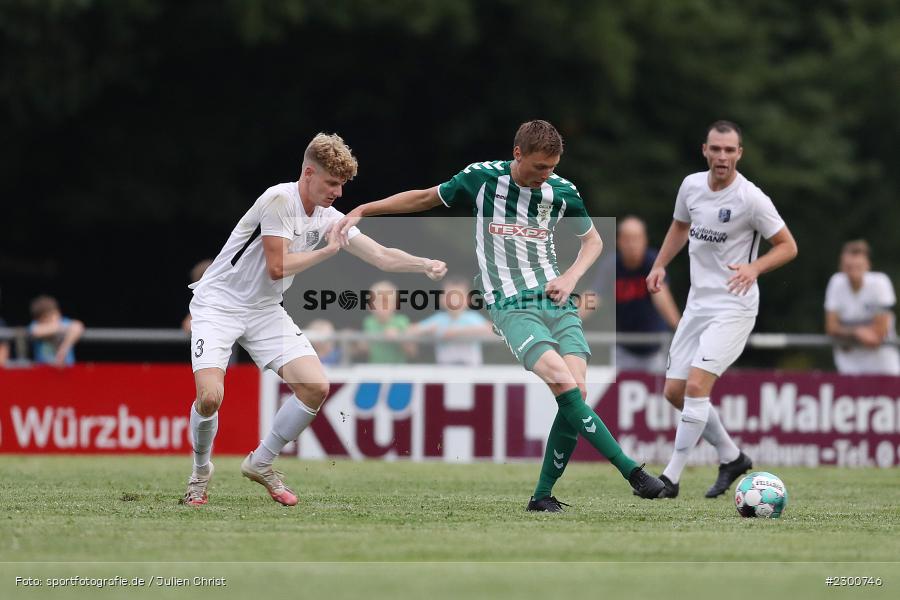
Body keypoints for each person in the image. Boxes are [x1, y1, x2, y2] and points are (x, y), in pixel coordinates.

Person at [336, 119, 665, 511]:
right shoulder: (481, 179)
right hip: (508, 303)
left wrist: (571, 277)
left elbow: (592, 241)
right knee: (564, 383)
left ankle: (542, 497)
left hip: (555, 300)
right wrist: (364, 209)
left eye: (552, 167)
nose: (547, 176)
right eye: (540, 167)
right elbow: (426, 197)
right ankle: (634, 473)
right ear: (518, 154)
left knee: (576, 392)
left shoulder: (561, 191)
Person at [183, 132, 446, 507]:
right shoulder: (279, 199)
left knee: (316, 387)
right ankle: (200, 472)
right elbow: (277, 267)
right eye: (332, 183)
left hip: (264, 310)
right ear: (309, 173)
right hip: (219, 305)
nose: (338, 192)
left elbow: (381, 256)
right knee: (210, 397)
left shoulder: (328, 217)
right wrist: (327, 252)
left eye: (341, 185)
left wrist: (424, 264)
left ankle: (261, 462)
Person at [646, 120, 798, 498]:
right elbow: (680, 227)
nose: (722, 157)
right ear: (705, 150)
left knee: (697, 385)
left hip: (734, 306)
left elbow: (787, 246)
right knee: (675, 391)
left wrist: (754, 267)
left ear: (739, 154)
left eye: (730, 150)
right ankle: (732, 457)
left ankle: (671, 478)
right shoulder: (691, 186)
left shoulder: (751, 199)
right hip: (698, 304)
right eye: (716, 149)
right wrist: (660, 264)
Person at [586, 216, 681, 372]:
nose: (632, 244)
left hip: (655, 349)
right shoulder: (611, 266)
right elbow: (593, 297)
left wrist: (680, 329)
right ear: (619, 241)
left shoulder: (652, 262)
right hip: (623, 349)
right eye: (627, 239)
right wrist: (568, 321)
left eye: (636, 238)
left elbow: (662, 298)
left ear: (644, 240)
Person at [824, 240, 900, 375]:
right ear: (841, 266)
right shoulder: (836, 283)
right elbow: (831, 328)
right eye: (848, 267)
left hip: (883, 364)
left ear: (868, 265)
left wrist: (845, 333)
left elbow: (878, 335)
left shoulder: (880, 283)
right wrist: (857, 332)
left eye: (858, 266)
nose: (853, 272)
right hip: (849, 365)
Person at [409, 276, 493, 366]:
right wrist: (427, 330)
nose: (454, 300)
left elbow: (492, 330)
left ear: (467, 300)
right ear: (442, 299)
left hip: (471, 374)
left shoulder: (472, 318)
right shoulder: (438, 319)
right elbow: (411, 329)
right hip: (446, 374)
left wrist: (456, 332)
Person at [358, 280, 417, 364]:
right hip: (375, 371)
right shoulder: (369, 322)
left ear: (395, 304)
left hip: (398, 372)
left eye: (386, 301)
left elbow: (412, 352)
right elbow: (363, 350)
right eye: (377, 301)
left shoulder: (402, 321)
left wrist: (399, 338)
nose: (382, 305)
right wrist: (361, 344)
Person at [28, 295, 85, 367]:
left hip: (65, 369)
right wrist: (61, 328)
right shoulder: (35, 325)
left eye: (54, 314)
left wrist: (63, 350)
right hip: (43, 371)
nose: (52, 319)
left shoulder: (64, 322)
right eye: (46, 317)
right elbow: (35, 331)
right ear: (38, 319)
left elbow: (78, 326)